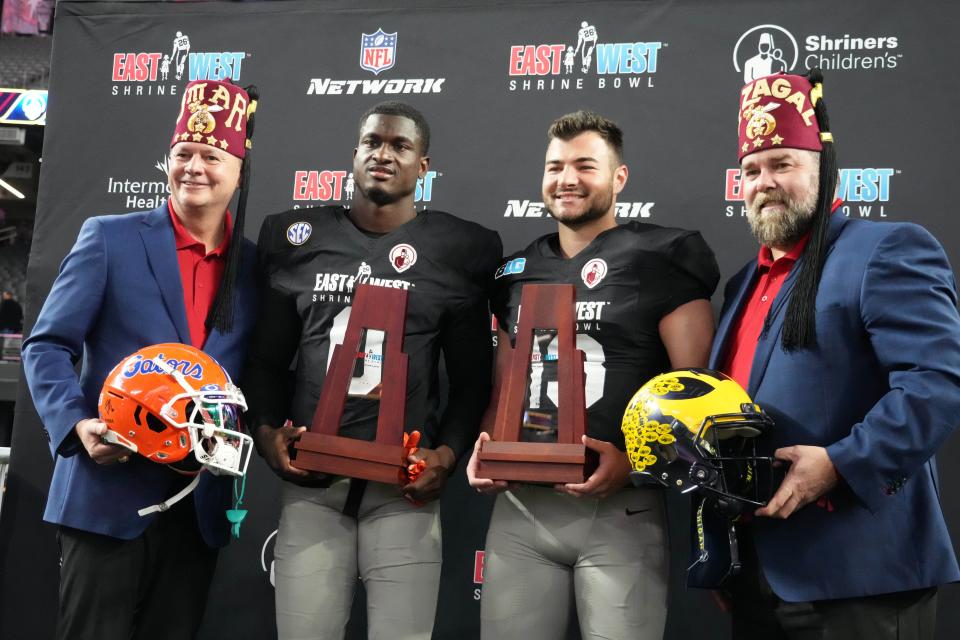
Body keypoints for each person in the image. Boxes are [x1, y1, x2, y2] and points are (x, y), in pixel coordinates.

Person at [709, 68, 960, 638]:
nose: (764, 182)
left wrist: (841, 464)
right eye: (751, 170)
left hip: (860, 579)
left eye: (782, 164)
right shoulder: (742, 283)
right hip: (758, 576)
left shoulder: (887, 249)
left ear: (825, 170)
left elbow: (936, 386)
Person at [243, 100, 501, 640]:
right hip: (313, 486)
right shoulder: (295, 237)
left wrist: (447, 457)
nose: (383, 154)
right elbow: (266, 360)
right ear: (354, 153)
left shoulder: (459, 249)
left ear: (423, 166)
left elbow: (473, 379)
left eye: (400, 145)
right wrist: (267, 434)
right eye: (372, 142)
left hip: (402, 492)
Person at [466, 110, 719, 640]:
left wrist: (634, 464)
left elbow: (696, 393)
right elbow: (506, 381)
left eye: (585, 165)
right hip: (520, 508)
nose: (567, 179)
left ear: (619, 177)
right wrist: (486, 448)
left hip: (619, 507)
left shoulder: (662, 256)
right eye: (555, 165)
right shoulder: (516, 271)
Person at [22, 78, 259, 640]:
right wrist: (76, 426)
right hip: (107, 495)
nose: (194, 167)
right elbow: (47, 345)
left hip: (197, 503)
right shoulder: (110, 238)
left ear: (239, 169)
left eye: (211, 155)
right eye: (183, 154)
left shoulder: (253, 266)